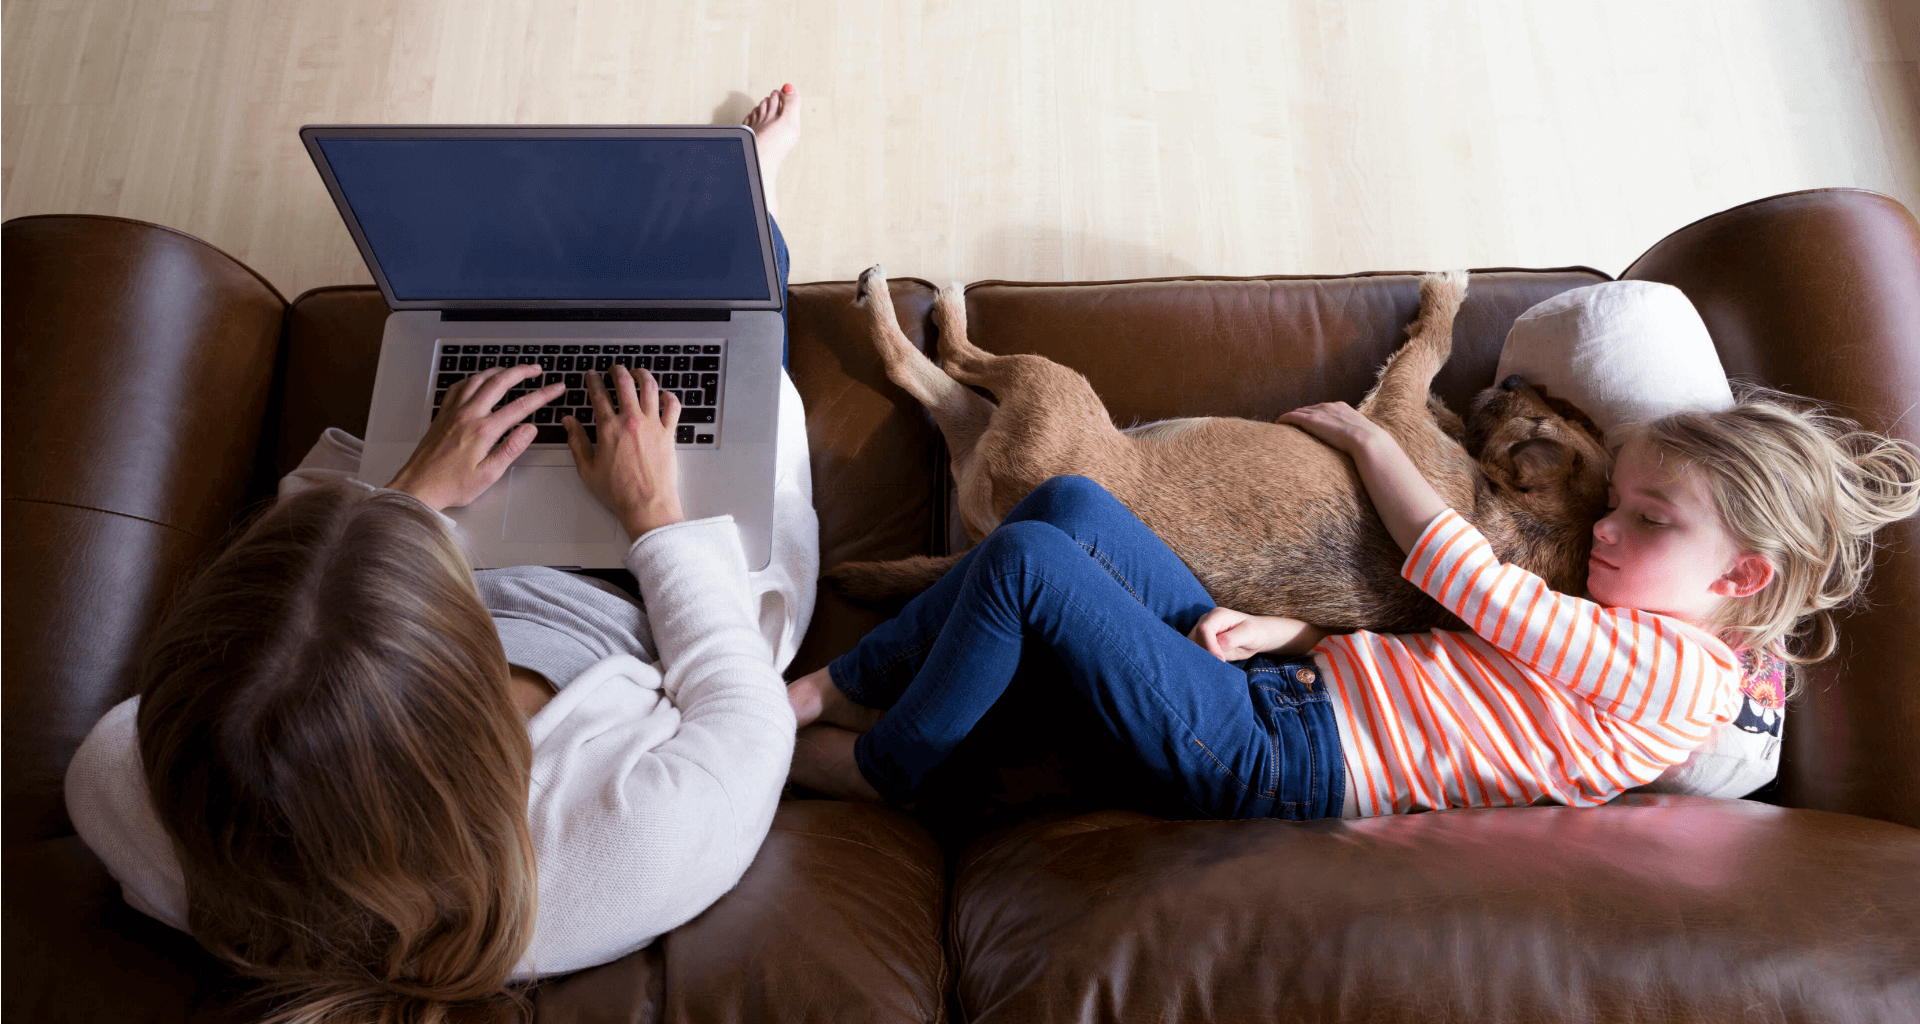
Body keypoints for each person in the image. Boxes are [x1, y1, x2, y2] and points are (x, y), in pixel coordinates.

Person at [64, 86, 811, 1023]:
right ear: (458, 724)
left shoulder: (131, 799)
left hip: (455, 550)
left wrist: (410, 498)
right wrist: (657, 516)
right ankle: (749, 201)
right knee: (724, 338)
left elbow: (204, 705)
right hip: (639, 595)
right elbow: (746, 707)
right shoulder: (618, 851)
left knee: (484, 338)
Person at [786, 386, 1920, 818]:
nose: (1604, 532)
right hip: (1289, 684)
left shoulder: (1683, 674)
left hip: (1279, 757)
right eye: (1613, 504)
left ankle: (881, 761)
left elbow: (1468, 582)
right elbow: (1450, 666)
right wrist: (1306, 629)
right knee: (1072, 507)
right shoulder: (1625, 635)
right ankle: (833, 689)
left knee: (1032, 571)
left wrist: (1377, 440)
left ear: (1743, 577)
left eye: (1649, 520)